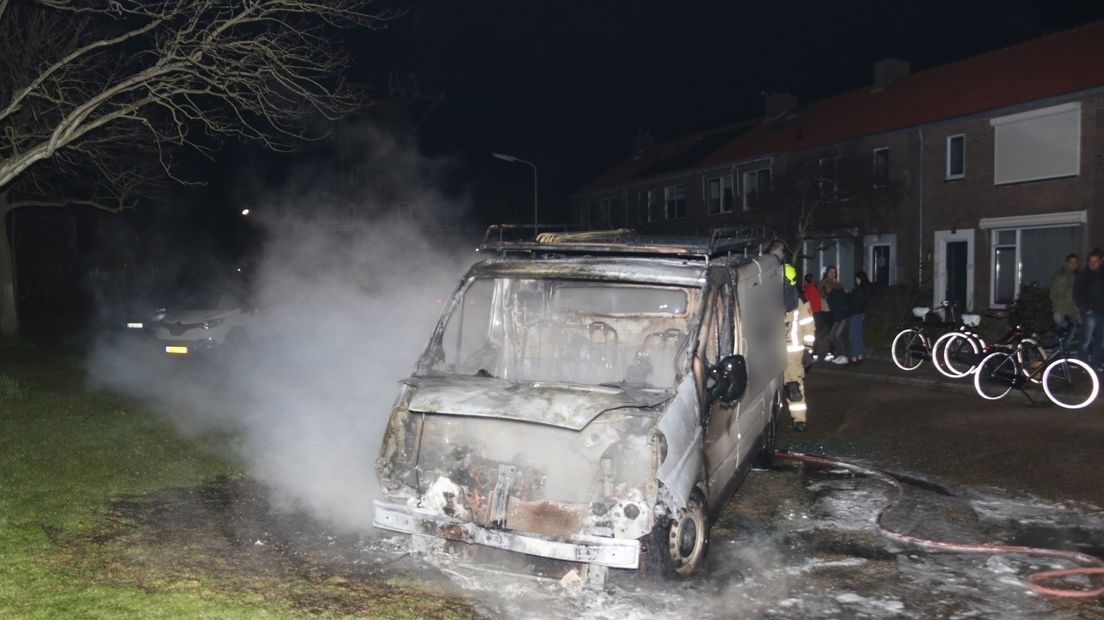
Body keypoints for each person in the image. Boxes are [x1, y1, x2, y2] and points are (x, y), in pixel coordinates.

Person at [783, 264, 815, 431]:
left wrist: (809, 348)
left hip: (779, 351)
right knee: (793, 385)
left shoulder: (769, 297)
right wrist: (809, 349)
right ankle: (799, 420)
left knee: (792, 387)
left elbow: (808, 326)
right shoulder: (801, 300)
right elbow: (808, 326)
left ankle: (799, 420)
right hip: (792, 351)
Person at [1073, 248, 1104, 371]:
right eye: (1090, 261)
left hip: (1102, 313)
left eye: (1095, 261)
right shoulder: (1083, 274)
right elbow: (1077, 293)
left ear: (1102, 260)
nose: (1092, 264)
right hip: (1090, 312)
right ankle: (1082, 366)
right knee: (1086, 340)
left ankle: (1095, 367)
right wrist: (1085, 308)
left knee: (1100, 342)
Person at [818, 266, 848, 364]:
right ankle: (840, 355)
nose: (832, 274)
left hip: (842, 314)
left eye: (834, 272)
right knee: (832, 336)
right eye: (830, 272)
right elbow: (820, 288)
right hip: (836, 315)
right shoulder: (827, 287)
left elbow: (841, 297)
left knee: (837, 335)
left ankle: (844, 356)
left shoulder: (837, 286)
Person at [1050, 253, 1079, 350]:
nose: (1073, 264)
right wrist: (1058, 312)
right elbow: (1053, 295)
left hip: (1073, 313)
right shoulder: (1061, 276)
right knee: (1061, 339)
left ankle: (1064, 361)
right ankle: (1056, 362)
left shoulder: (1075, 277)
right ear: (1066, 263)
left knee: (1068, 339)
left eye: (1075, 262)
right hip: (1062, 313)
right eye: (1071, 262)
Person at [848, 271, 872, 363]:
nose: (856, 281)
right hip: (861, 314)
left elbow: (854, 301)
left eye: (856, 279)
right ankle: (860, 355)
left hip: (855, 313)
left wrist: (849, 296)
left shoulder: (860, 289)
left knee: (853, 336)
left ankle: (854, 356)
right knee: (859, 335)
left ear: (860, 279)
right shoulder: (867, 288)